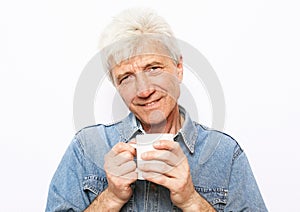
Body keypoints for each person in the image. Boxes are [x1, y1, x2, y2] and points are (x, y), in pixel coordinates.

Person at [46, 8, 267, 211]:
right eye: (126, 78)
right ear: (116, 86)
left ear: (178, 69)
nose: (143, 90)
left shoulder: (226, 155)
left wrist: (191, 200)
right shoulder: (85, 149)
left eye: (153, 68)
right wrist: (111, 198)